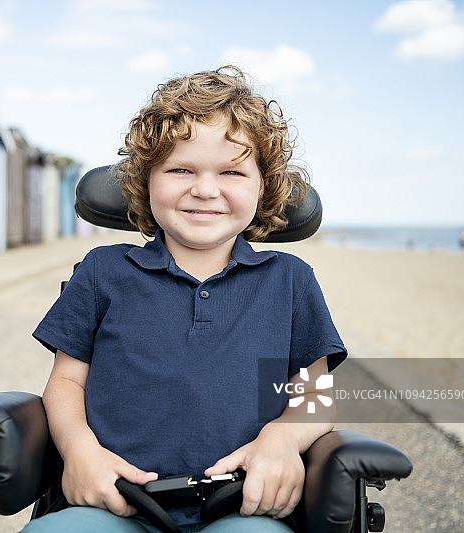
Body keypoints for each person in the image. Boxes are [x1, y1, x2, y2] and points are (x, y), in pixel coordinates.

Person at [24, 66, 347, 533]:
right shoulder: (104, 272)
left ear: (264, 185)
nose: (205, 189)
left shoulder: (289, 281)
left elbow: (315, 400)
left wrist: (281, 440)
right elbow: (66, 383)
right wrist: (80, 452)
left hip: (242, 506)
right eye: (181, 169)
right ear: (146, 178)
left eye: (232, 172)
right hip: (112, 501)